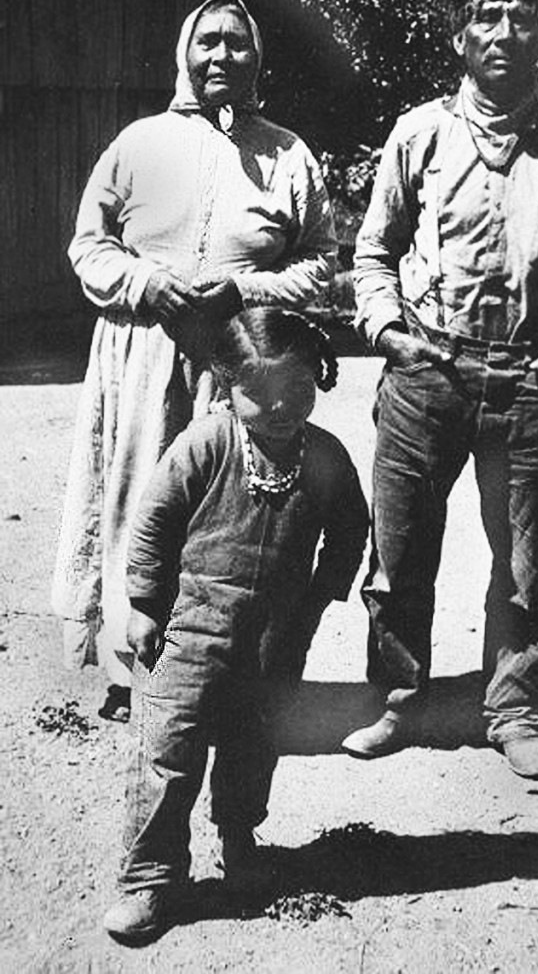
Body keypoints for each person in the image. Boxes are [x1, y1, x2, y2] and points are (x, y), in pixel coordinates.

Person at [342, 0, 538, 779]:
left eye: (522, 18)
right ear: (459, 39)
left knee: (527, 563)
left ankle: (512, 708)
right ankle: (399, 701)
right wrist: (390, 330)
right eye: (487, 19)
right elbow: (374, 252)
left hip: (535, 380)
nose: (505, 34)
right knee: (399, 553)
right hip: (428, 371)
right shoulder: (420, 132)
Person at [51, 0, 337, 721]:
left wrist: (242, 287)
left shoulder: (288, 156)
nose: (220, 56)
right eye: (206, 42)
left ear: (257, 57)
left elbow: (321, 264)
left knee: (227, 509)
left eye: (236, 44)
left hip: (243, 362)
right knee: (139, 498)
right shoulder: (139, 143)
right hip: (144, 355)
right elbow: (89, 244)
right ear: (185, 53)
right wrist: (146, 283)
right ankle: (128, 659)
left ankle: (219, 667)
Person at [102, 308, 368, 942]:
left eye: (297, 390)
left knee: (254, 742)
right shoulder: (206, 443)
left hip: (276, 639)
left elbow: (352, 530)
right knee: (169, 750)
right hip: (190, 630)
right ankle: (150, 878)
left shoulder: (326, 457)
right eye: (259, 393)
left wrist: (319, 598)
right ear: (227, 387)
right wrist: (143, 604)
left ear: (320, 378)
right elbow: (155, 524)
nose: (280, 408)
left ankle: (239, 837)